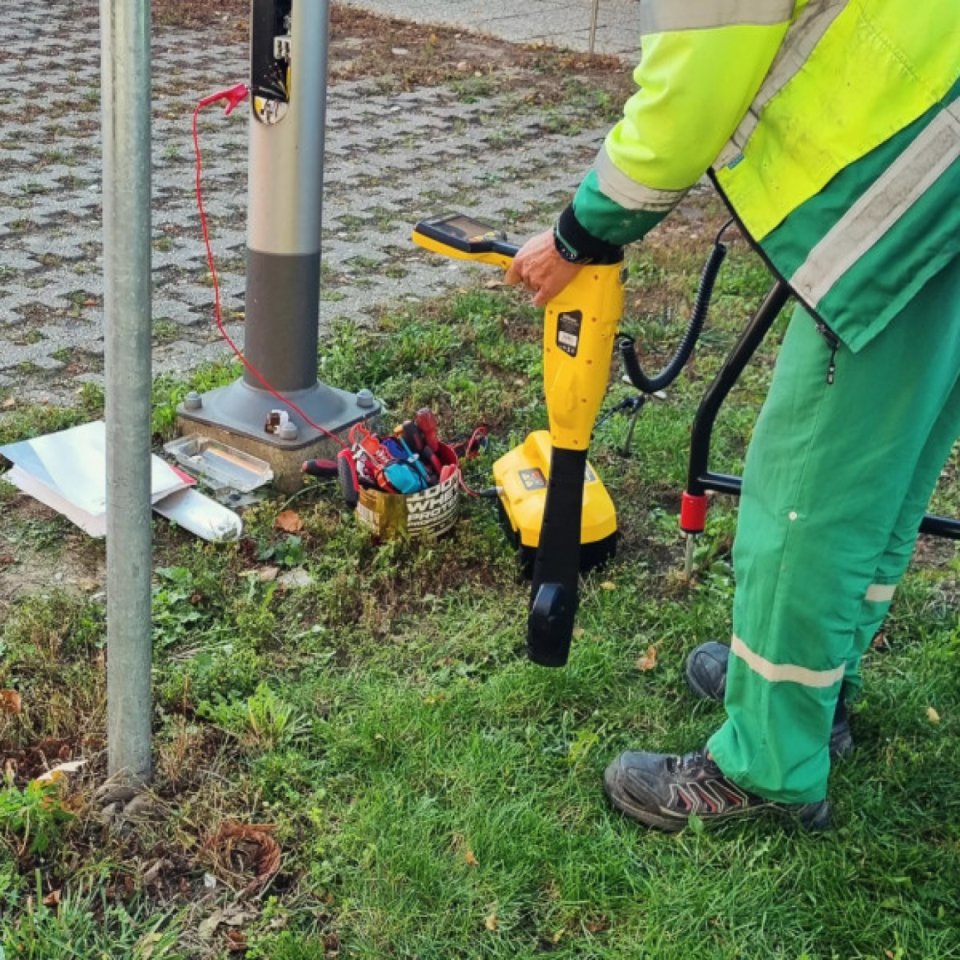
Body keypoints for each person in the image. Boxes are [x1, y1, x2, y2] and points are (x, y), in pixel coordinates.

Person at [505, 0, 960, 831]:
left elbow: (694, 87)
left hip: (914, 183)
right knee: (884, 468)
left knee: (807, 492)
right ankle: (819, 690)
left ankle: (768, 766)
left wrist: (578, 231)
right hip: (943, 169)